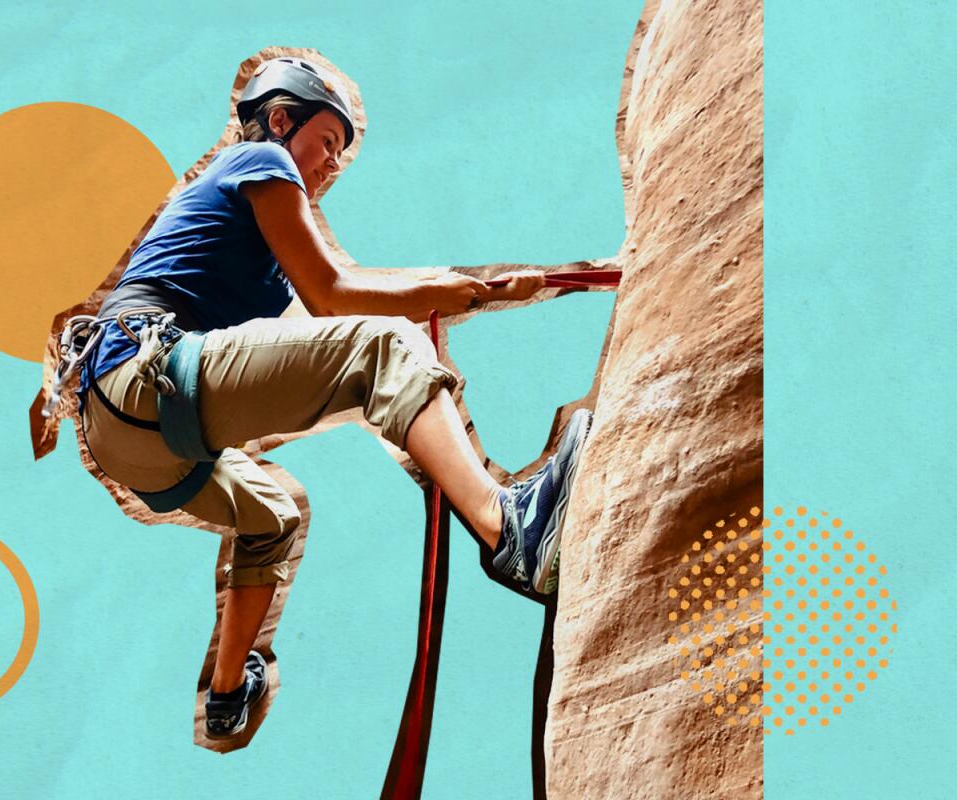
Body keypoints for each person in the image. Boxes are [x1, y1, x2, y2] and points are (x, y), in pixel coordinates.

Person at [74, 56, 593, 739]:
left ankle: (228, 693)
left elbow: (332, 308)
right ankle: (511, 531)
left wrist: (488, 288)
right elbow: (336, 297)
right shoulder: (257, 160)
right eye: (327, 143)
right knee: (387, 345)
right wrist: (443, 295)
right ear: (282, 118)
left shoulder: (247, 255)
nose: (329, 165)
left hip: (130, 434)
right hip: (143, 375)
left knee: (273, 517)